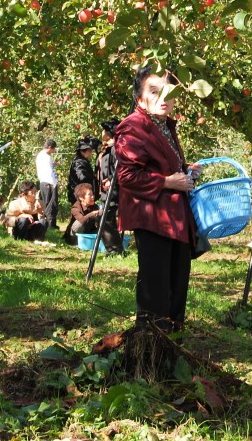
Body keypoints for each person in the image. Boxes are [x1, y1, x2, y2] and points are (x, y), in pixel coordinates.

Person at [115, 67, 201, 333]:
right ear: (140, 99)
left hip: (174, 218)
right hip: (152, 219)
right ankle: (151, 345)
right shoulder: (133, 127)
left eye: (168, 92)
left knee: (176, 283)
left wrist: (185, 169)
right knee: (156, 288)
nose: (163, 98)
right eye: (154, 92)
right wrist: (166, 182)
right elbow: (127, 176)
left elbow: (160, 163)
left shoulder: (162, 125)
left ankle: (172, 344)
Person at [97, 118, 124, 254]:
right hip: (108, 190)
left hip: (113, 190)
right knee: (109, 219)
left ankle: (115, 249)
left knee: (104, 218)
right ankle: (115, 249)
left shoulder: (116, 149)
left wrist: (110, 180)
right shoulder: (109, 149)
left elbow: (119, 169)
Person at [35, 139, 59, 232]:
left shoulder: (42, 156)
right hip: (48, 183)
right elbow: (48, 172)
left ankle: (51, 224)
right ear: (49, 147)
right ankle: (50, 225)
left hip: (46, 182)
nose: (53, 151)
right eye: (53, 149)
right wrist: (53, 183)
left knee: (50, 203)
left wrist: (53, 164)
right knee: (51, 204)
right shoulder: (45, 156)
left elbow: (46, 168)